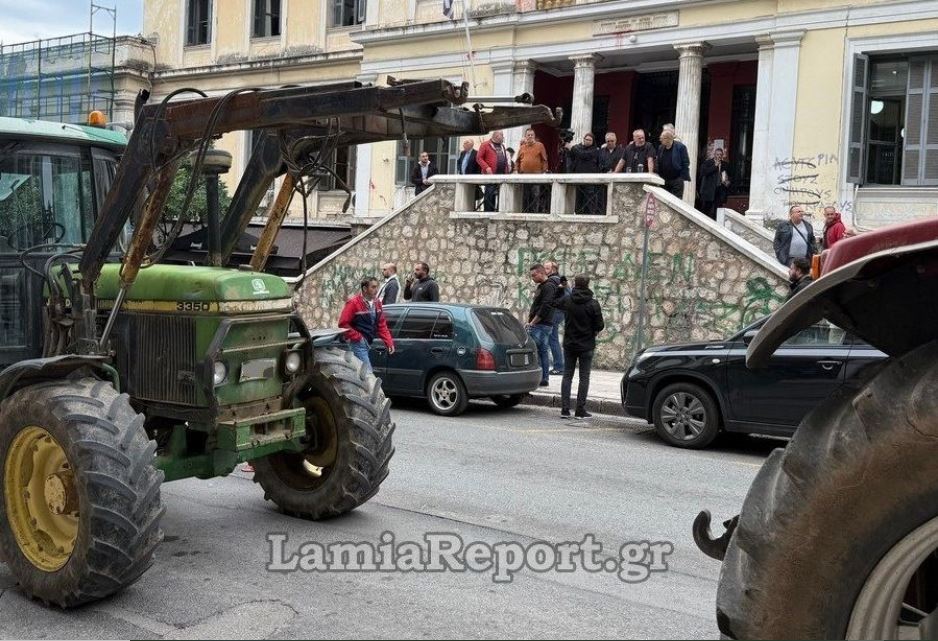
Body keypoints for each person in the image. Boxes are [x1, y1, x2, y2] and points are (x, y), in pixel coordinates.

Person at [552, 274, 604, 419]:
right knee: (584, 377)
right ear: (588, 284)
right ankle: (580, 410)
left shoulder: (567, 300)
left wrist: (560, 289)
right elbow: (600, 325)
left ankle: (565, 409)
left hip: (570, 344)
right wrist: (593, 330)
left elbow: (554, 302)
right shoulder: (593, 304)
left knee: (567, 376)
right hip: (587, 345)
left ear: (575, 284)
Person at [338, 276, 395, 373]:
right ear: (365, 289)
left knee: (359, 374)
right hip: (357, 344)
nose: (376, 290)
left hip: (367, 343)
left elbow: (381, 325)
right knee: (367, 374)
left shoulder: (377, 303)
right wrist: (358, 337)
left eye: (377, 287)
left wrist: (389, 342)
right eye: (373, 287)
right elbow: (343, 323)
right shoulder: (353, 303)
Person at [525, 263, 559, 386]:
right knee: (542, 351)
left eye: (534, 275)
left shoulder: (548, 286)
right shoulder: (543, 286)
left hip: (541, 325)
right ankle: (543, 378)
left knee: (538, 351)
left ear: (541, 273)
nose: (533, 278)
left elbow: (546, 306)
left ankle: (541, 378)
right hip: (541, 324)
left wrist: (532, 322)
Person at [565, 132, 603, 214]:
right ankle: (578, 213)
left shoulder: (595, 150)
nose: (587, 141)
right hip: (578, 178)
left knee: (588, 199)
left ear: (593, 141)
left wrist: (572, 148)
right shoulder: (578, 147)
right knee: (578, 198)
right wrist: (567, 147)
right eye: (586, 139)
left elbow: (583, 155)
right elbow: (571, 156)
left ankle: (588, 215)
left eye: (590, 140)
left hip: (589, 179)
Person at [516, 128, 549, 212]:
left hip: (536, 176)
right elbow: (517, 161)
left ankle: (535, 213)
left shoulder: (540, 145)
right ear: (525, 136)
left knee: (535, 195)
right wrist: (517, 171)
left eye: (532, 135)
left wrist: (544, 171)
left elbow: (544, 160)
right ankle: (524, 212)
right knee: (525, 195)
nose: (530, 136)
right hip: (524, 176)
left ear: (534, 136)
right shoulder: (522, 147)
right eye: (528, 135)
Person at [477, 130, 510, 211]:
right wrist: (486, 167)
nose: (503, 137)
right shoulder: (485, 145)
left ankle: (498, 212)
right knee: (489, 194)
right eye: (502, 135)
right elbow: (479, 158)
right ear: (496, 136)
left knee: (501, 196)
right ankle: (488, 212)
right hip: (490, 175)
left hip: (502, 175)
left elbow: (504, 159)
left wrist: (507, 169)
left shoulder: (502, 146)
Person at [544, 260, 567, 375]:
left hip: (555, 312)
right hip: (560, 312)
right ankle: (559, 365)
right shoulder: (560, 279)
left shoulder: (553, 280)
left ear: (553, 270)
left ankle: (559, 366)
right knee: (553, 338)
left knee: (552, 339)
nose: (545, 270)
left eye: (547, 268)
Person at [656, 129, 690, 199]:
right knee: (663, 199)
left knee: (676, 200)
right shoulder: (660, 147)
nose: (660, 140)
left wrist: (681, 177)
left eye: (662, 138)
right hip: (664, 179)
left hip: (677, 179)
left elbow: (686, 162)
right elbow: (658, 162)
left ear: (667, 139)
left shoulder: (680, 147)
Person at [697, 147, 725, 220]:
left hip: (719, 189)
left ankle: (715, 222)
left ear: (722, 155)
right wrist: (715, 166)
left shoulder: (724, 164)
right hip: (709, 190)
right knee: (707, 208)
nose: (719, 156)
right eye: (717, 154)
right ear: (714, 154)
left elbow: (726, 174)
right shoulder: (708, 163)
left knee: (717, 208)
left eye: (720, 154)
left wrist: (727, 181)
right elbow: (704, 172)